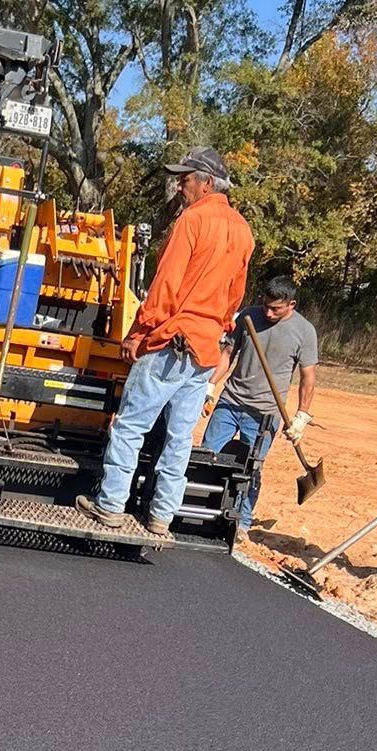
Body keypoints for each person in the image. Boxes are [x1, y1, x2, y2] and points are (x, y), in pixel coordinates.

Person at [77, 148, 254, 537]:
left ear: (207, 183)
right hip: (206, 349)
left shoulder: (193, 220)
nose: (180, 186)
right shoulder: (242, 230)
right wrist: (218, 326)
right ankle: (162, 515)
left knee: (130, 425)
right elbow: (235, 294)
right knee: (179, 437)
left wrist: (139, 332)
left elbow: (166, 286)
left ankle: (110, 504)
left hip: (172, 341)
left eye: (186, 179)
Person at [203, 275, 318, 534]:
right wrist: (210, 385)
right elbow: (228, 354)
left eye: (276, 308)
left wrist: (302, 415)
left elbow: (308, 376)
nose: (268, 312)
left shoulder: (304, 331)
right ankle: (203, 507)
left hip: (265, 413)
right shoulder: (248, 316)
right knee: (208, 455)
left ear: (291, 304)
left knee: (251, 467)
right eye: (266, 305)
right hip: (230, 401)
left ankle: (241, 523)